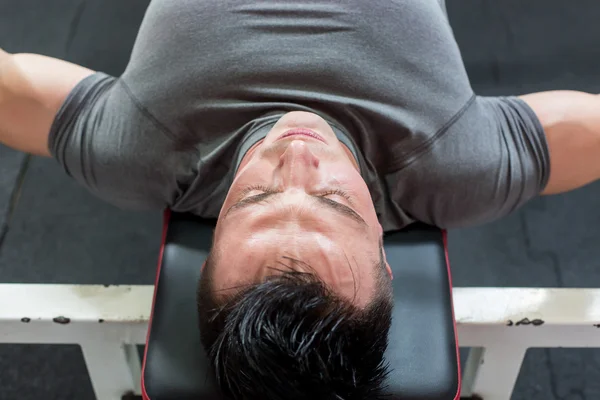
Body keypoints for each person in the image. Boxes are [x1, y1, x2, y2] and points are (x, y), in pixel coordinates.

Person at [1, 1, 599, 398]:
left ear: (205, 254)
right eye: (337, 199)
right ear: (384, 258)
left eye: (253, 195)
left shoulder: (141, 148)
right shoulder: (455, 165)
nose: (297, 153)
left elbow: (15, 92)